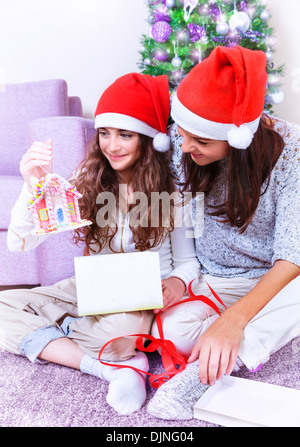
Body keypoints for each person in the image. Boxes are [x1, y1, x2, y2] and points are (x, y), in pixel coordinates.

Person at [0, 73, 199, 416]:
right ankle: (114, 368)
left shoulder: (172, 193)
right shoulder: (87, 180)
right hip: (90, 287)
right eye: (105, 133)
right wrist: (32, 185)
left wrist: (177, 282)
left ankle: (73, 340)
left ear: (148, 139)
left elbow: (189, 261)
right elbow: (24, 242)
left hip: (138, 298)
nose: (112, 146)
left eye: (126, 135)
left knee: (118, 333)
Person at [147, 45, 300, 420]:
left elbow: (291, 256)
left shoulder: (293, 151)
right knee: (171, 334)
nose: (184, 147)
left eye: (200, 141)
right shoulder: (184, 143)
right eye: (182, 134)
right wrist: (182, 281)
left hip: (272, 282)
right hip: (214, 280)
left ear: (237, 138)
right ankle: (224, 344)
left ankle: (199, 380)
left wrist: (233, 322)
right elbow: (178, 222)